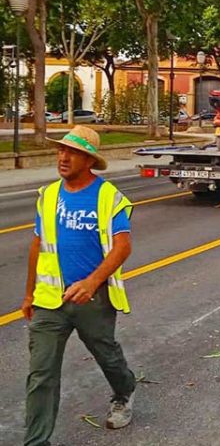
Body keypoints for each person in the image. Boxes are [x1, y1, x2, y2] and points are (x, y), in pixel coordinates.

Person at [22, 125, 136, 446]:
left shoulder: (108, 197)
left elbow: (122, 246)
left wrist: (91, 282)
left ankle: (124, 391)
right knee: (41, 373)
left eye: (71, 152)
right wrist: (29, 293)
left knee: (106, 354)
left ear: (88, 160)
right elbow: (37, 244)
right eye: (60, 150)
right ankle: (36, 441)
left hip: (93, 299)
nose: (62, 156)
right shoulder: (47, 196)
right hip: (49, 300)